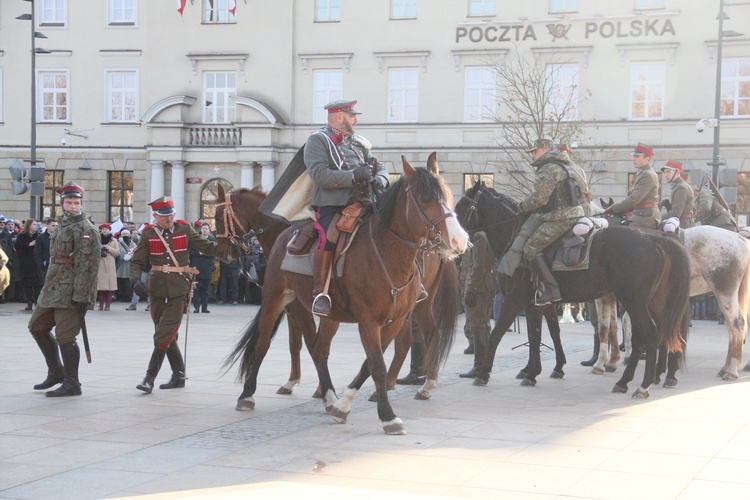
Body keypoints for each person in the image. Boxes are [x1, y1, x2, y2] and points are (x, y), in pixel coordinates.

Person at [304, 99, 390, 316]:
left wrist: (381, 178)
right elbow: (319, 175)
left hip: (365, 200)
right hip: (333, 203)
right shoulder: (318, 141)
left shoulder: (357, 142)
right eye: (352, 116)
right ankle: (320, 293)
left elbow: (379, 166)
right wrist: (353, 176)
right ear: (340, 117)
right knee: (328, 237)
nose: (356, 120)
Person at [129, 196, 218, 393]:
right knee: (167, 333)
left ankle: (149, 378)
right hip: (157, 287)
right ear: (155, 216)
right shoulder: (148, 234)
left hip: (180, 288)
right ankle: (178, 375)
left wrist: (228, 248)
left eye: (171, 215)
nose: (169, 219)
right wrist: (135, 280)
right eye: (164, 216)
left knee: (163, 333)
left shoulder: (184, 229)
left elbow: (207, 247)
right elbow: (137, 262)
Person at [28, 181, 100, 397]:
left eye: (76, 202)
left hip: (71, 290)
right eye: (69, 202)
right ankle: (56, 372)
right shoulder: (63, 225)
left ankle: (72, 383)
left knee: (65, 336)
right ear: (62, 203)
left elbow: (88, 266)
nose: (73, 206)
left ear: (81, 203)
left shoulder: (86, 228)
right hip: (53, 286)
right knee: (37, 327)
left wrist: (81, 295)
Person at [510, 138, 587, 306]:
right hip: (574, 214)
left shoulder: (548, 168)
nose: (532, 156)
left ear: (545, 150)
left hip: (561, 217)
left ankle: (552, 289)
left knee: (531, 248)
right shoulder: (565, 165)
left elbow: (540, 199)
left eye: (535, 152)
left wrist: (521, 207)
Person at [460, 231, 497, 378]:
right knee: (483, 324)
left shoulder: (479, 236)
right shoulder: (485, 235)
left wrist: (471, 289)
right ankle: (483, 364)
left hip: (479, 284)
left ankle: (479, 366)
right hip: (484, 283)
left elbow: (478, 264)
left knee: (477, 325)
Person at [603, 142, 660, 230]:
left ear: (647, 158)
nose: (634, 159)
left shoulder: (647, 175)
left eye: (637, 157)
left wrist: (613, 208)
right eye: (633, 156)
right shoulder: (643, 173)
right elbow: (636, 202)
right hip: (641, 215)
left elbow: (634, 200)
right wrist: (619, 211)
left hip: (646, 217)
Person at [14, 219, 43, 311]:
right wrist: (29, 244)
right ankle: (29, 301)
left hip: (36, 263)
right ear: (29, 225)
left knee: (38, 284)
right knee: (27, 284)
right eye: (34, 224)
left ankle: (37, 301)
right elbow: (18, 246)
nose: (36, 226)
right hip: (26, 263)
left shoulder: (38, 236)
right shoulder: (22, 236)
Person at [660, 160, 695, 229]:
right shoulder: (677, 186)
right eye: (665, 172)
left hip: (683, 225)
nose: (666, 175)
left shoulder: (681, 187)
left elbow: (675, 213)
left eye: (668, 172)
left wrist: (658, 217)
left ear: (677, 172)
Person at [189, 222, 216, 313]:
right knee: (196, 289)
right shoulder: (196, 240)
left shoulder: (212, 240)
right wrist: (199, 253)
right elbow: (190, 253)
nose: (205, 230)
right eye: (203, 228)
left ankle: (204, 307)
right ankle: (196, 307)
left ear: (209, 230)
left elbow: (214, 253)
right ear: (201, 230)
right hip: (196, 267)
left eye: (206, 228)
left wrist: (206, 253)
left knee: (206, 289)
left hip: (207, 267)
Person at [96, 223, 119, 311]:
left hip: (110, 263)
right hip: (100, 262)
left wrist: (109, 248)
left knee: (110, 285)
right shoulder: (97, 239)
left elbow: (117, 252)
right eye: (103, 229)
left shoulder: (114, 240)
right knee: (100, 285)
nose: (104, 230)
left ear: (109, 230)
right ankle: (101, 304)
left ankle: (108, 304)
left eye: (106, 229)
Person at [116, 229, 136, 303]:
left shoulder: (133, 244)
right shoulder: (118, 243)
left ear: (129, 235)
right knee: (120, 280)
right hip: (121, 264)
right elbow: (117, 252)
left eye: (127, 234)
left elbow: (136, 252)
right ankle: (121, 295)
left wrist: (131, 256)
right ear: (121, 235)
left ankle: (128, 295)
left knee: (128, 281)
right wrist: (122, 256)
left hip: (129, 265)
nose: (125, 235)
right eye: (123, 234)